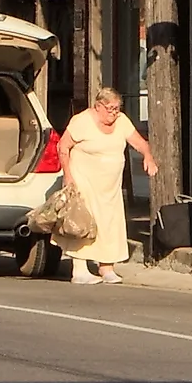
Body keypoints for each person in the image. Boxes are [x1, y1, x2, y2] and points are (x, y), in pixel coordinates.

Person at [55, 86, 155, 284]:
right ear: (98, 106)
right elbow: (63, 147)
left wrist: (148, 156)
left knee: (110, 223)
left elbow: (140, 142)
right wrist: (68, 176)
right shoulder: (82, 121)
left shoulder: (121, 121)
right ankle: (80, 269)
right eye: (110, 108)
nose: (114, 113)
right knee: (84, 221)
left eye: (117, 108)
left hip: (110, 187)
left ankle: (107, 267)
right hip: (84, 180)